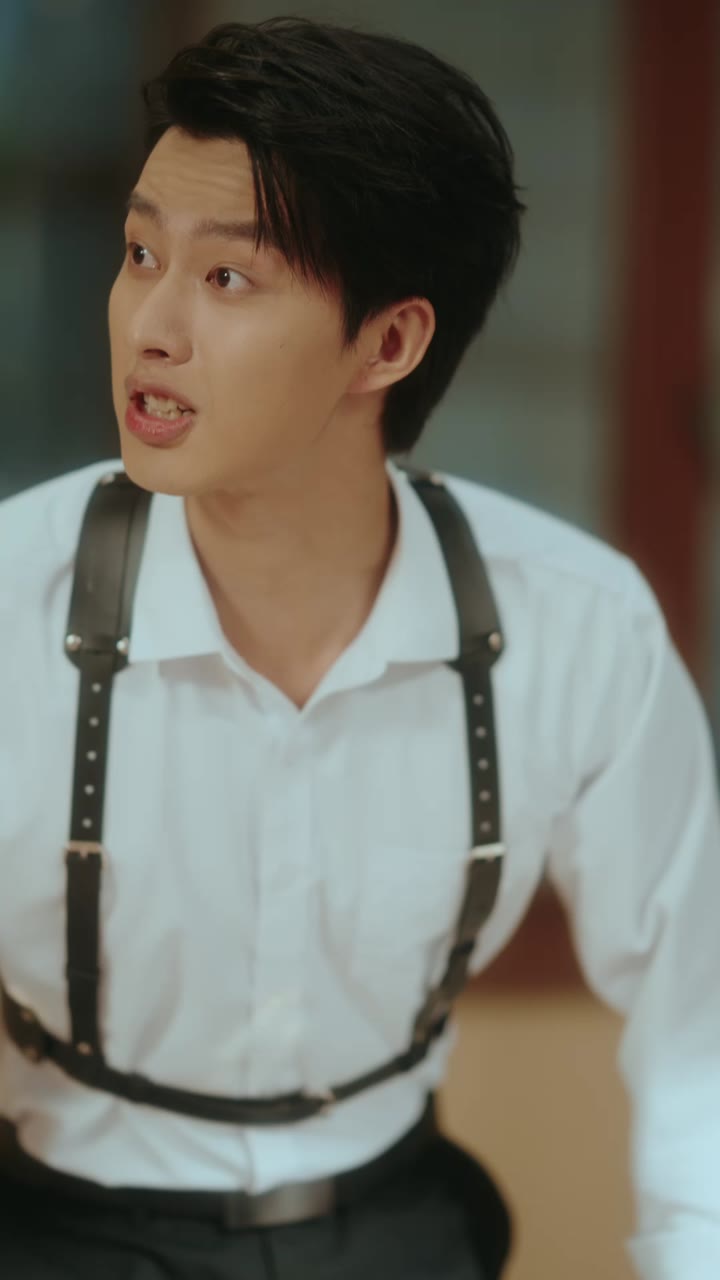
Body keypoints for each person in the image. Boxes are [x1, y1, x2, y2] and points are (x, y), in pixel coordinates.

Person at [0, 14, 718, 1280]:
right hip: (60, 1224)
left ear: (388, 342)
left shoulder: (573, 626)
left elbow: (697, 1011)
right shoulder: (16, 600)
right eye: (140, 252)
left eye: (228, 278)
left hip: (399, 1223)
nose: (149, 324)